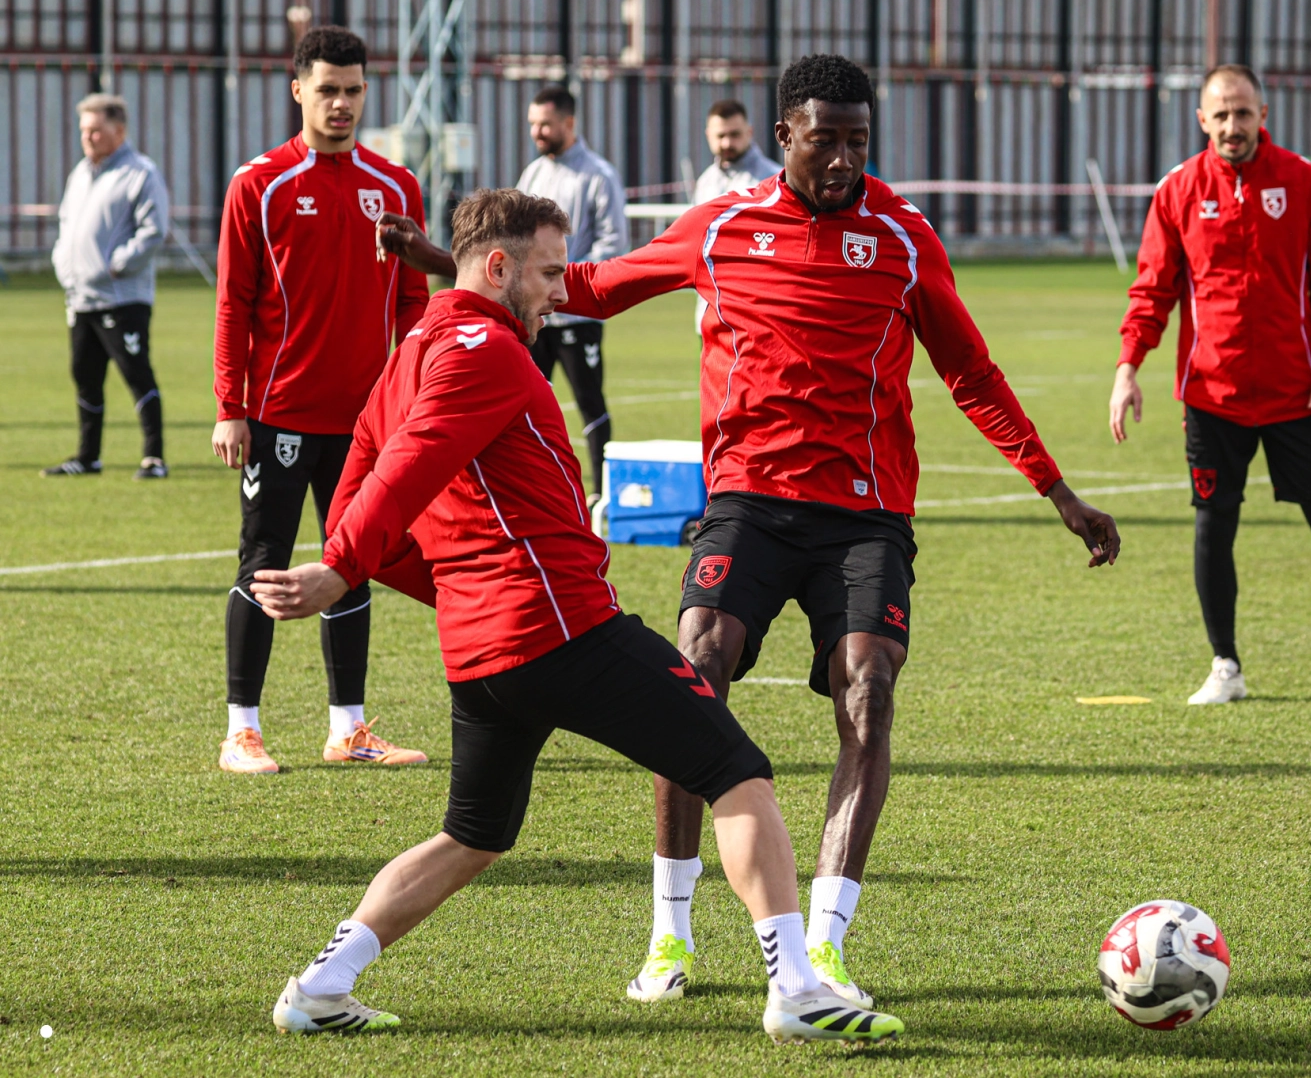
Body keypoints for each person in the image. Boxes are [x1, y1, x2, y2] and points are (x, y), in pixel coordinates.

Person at [377, 53, 1122, 1008]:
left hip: (865, 514)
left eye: (859, 141)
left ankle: (827, 944)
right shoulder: (721, 227)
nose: (845, 159)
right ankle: (670, 933)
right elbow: (588, 286)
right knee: (698, 660)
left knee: (867, 689)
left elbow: (969, 372)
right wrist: (443, 262)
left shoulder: (904, 238)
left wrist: (1055, 489)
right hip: (748, 502)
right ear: (783, 137)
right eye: (826, 140)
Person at [250, 188, 902, 1045]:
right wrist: (340, 571)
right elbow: (411, 463)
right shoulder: (485, 349)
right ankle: (795, 987)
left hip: (482, 650)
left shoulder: (410, 351)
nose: (564, 291)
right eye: (552, 272)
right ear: (498, 267)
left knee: (472, 834)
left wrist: (444, 587)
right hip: (560, 629)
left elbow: (359, 492)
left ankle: (319, 986)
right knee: (738, 770)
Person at [1108, 63, 1311, 707]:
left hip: (1296, 393)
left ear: (1263, 115)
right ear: (1202, 119)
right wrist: (1128, 367)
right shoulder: (1178, 190)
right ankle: (1225, 666)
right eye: (1220, 114)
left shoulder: (1303, 183)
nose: (1232, 125)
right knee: (1214, 526)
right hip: (1211, 395)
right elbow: (1152, 290)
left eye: (1243, 112)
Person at [211, 25, 431, 775]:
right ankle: (242, 731)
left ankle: (349, 728)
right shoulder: (259, 184)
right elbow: (234, 302)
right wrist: (230, 405)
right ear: (298, 90)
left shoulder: (397, 187)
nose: (342, 103)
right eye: (328, 90)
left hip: (367, 425)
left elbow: (412, 302)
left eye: (354, 90)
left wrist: (408, 393)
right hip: (278, 415)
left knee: (352, 563)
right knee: (263, 563)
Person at [46, 93, 170, 480]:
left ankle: (154, 458)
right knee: (84, 375)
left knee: (136, 373)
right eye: (84, 129)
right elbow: (66, 225)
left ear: (119, 130)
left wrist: (116, 265)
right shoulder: (80, 174)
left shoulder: (140, 173)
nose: (88, 137)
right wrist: (63, 262)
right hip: (80, 298)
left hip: (122, 298)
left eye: (96, 130)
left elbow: (154, 230)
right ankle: (88, 457)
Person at [514, 84, 628, 504]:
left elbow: (614, 245)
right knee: (523, 404)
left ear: (569, 123)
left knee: (589, 403)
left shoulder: (599, 175)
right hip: (535, 318)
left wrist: (559, 279)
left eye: (545, 124)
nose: (537, 132)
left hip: (577, 318)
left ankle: (600, 496)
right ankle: (528, 489)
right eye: (533, 124)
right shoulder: (532, 174)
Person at [691, 98, 779, 331]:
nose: (727, 142)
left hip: (759, 317)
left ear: (749, 132)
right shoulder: (705, 182)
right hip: (710, 315)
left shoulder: (775, 181)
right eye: (720, 135)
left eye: (735, 134)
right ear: (708, 135)